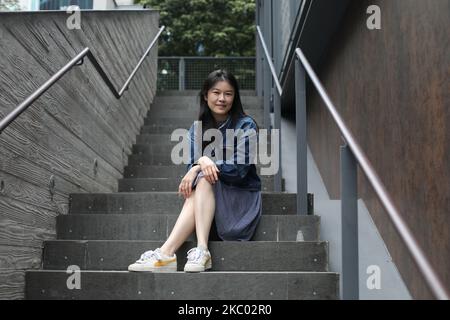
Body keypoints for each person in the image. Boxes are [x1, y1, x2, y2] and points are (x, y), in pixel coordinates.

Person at [128, 69, 262, 273]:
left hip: (239, 200)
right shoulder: (197, 128)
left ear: (235, 97)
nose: (222, 98)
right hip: (206, 202)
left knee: (204, 177)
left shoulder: (246, 125)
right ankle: (174, 253)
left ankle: (187, 250)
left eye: (228, 93)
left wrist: (201, 164)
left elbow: (239, 169)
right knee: (202, 179)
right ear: (205, 95)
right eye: (216, 92)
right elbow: (191, 169)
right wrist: (199, 163)